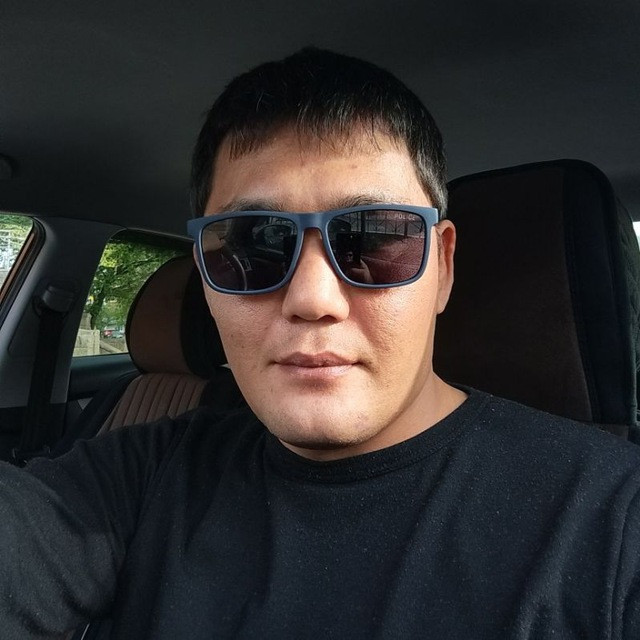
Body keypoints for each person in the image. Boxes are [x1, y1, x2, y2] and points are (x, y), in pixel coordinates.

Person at [1, 47, 640, 639]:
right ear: (206, 283)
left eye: (374, 239)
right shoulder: (141, 474)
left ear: (442, 269)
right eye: (253, 245)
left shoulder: (613, 521)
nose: (312, 298)